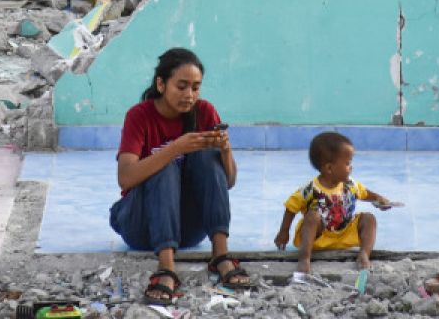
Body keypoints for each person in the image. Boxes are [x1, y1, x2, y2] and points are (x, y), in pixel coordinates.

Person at [111, 48, 254, 305]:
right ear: (161, 84)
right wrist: (175, 148)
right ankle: (166, 268)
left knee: (206, 156)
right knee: (165, 165)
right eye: (182, 86)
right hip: (141, 225)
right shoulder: (139, 116)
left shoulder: (205, 112)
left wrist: (225, 150)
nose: (190, 95)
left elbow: (229, 181)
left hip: (188, 230)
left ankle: (221, 255)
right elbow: (125, 177)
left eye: (196, 87)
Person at [274, 131, 392, 276]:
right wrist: (284, 232)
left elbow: (365, 193)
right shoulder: (311, 189)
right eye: (348, 163)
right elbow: (291, 207)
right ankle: (304, 259)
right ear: (329, 168)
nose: (351, 167)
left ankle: (364, 254)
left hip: (345, 233)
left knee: (369, 219)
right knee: (312, 217)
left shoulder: (350, 184)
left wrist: (378, 199)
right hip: (320, 237)